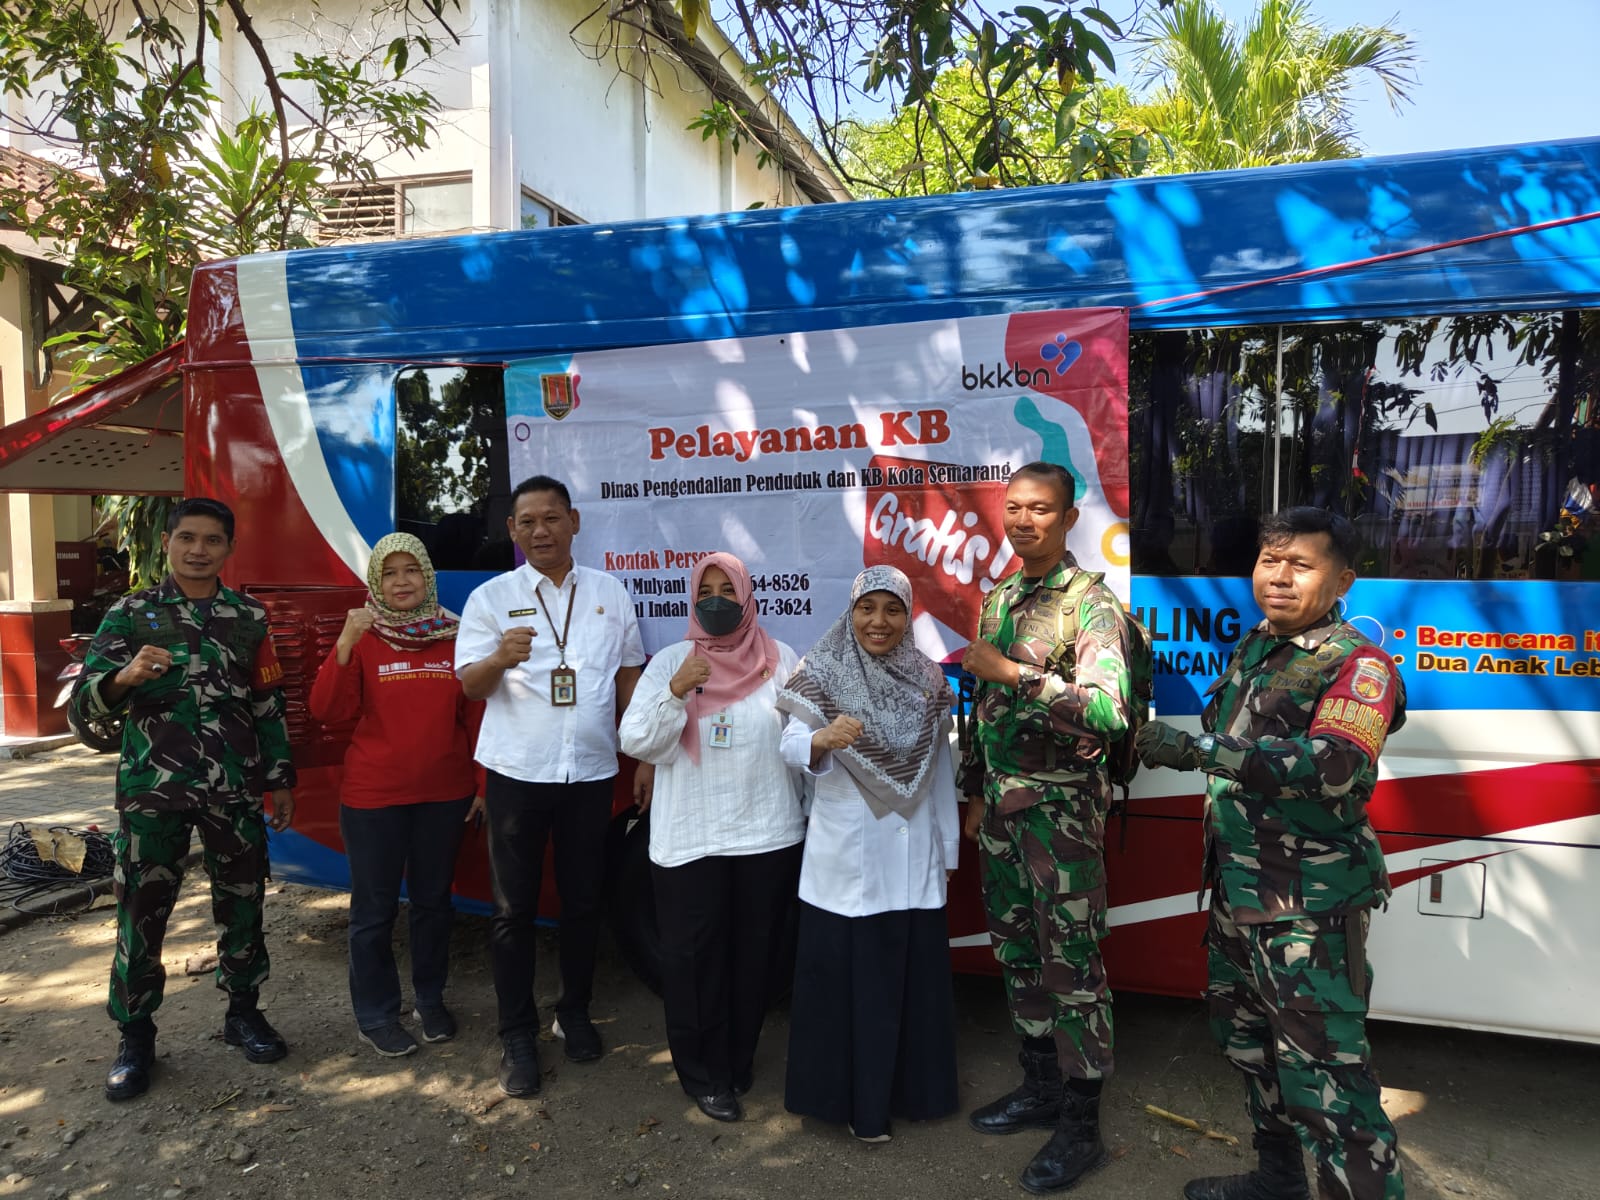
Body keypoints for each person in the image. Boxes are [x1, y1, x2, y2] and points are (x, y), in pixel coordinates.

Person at [1135, 507, 1407, 1200]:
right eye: (1269, 561)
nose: (1278, 577)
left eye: (1300, 565)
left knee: (1329, 1080)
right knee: (1251, 1046)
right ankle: (1278, 1180)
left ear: (1341, 580)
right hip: (1241, 894)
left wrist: (1199, 752)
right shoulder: (1258, 645)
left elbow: (1336, 763)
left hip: (1307, 908)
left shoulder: (1359, 664)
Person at [73, 497, 297, 1102]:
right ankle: (135, 1035)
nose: (199, 550)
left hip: (233, 788)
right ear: (167, 543)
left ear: (229, 548)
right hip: (153, 791)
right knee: (141, 912)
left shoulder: (249, 616)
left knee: (243, 902)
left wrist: (279, 778)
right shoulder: (130, 613)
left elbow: (267, 703)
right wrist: (124, 677)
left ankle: (244, 1013)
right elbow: (83, 708)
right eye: (187, 538)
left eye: (212, 540)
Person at [957, 461, 1133, 1194]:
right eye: (1015, 508)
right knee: (1018, 952)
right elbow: (983, 711)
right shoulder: (1000, 597)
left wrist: (1017, 674)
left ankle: (1081, 1127)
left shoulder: (1091, 604)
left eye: (1040, 509)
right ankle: (1040, 1089)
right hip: (1002, 813)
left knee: (1073, 969)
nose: (1024, 521)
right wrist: (974, 789)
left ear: (1068, 518)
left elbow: (1109, 712)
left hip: (1061, 819)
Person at [455, 475, 645, 1098]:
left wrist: (645, 751)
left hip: (589, 772)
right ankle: (516, 1033)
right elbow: (471, 686)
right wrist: (498, 659)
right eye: (528, 521)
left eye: (552, 518)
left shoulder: (610, 593)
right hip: (517, 772)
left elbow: (627, 678)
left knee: (583, 901)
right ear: (513, 530)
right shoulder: (490, 597)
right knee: (512, 910)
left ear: (574, 522)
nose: (541, 531)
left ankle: (574, 1012)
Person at [618, 552, 804, 1123]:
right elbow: (638, 742)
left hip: (766, 834)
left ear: (748, 596)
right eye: (706, 590)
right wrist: (675, 692)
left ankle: (736, 1060)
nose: (716, 600)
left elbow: (803, 739)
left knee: (755, 957)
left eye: (728, 589)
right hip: (691, 837)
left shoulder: (781, 659)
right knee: (693, 961)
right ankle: (703, 1075)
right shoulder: (672, 662)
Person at [778, 564, 961, 1144]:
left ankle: (913, 1096)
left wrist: (947, 851)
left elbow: (940, 772)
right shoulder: (822, 669)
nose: (878, 621)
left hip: (912, 855)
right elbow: (788, 744)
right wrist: (820, 739)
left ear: (908, 616)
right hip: (846, 859)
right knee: (847, 987)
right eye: (867, 608)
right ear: (851, 612)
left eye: (892, 609)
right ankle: (851, 1105)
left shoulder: (929, 679)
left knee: (909, 982)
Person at [308, 533, 481, 1058]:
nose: (401, 582)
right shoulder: (363, 636)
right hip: (374, 798)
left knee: (433, 904)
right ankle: (376, 1014)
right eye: (389, 573)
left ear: (428, 577)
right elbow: (327, 711)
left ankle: (429, 999)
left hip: (445, 795)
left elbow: (476, 718)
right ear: (375, 582)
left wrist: (483, 784)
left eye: (412, 571)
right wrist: (343, 643)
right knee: (374, 911)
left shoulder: (457, 635)